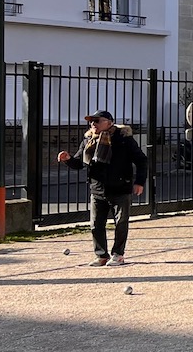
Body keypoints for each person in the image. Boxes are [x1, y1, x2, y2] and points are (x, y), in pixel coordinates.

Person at [57, 110, 147, 267]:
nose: (93, 124)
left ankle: (118, 254)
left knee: (120, 223)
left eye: (97, 121)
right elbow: (79, 163)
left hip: (120, 187)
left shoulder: (123, 139)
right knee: (96, 224)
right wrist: (68, 159)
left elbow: (141, 160)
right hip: (97, 188)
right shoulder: (88, 141)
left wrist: (139, 181)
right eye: (91, 121)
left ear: (109, 122)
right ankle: (101, 255)